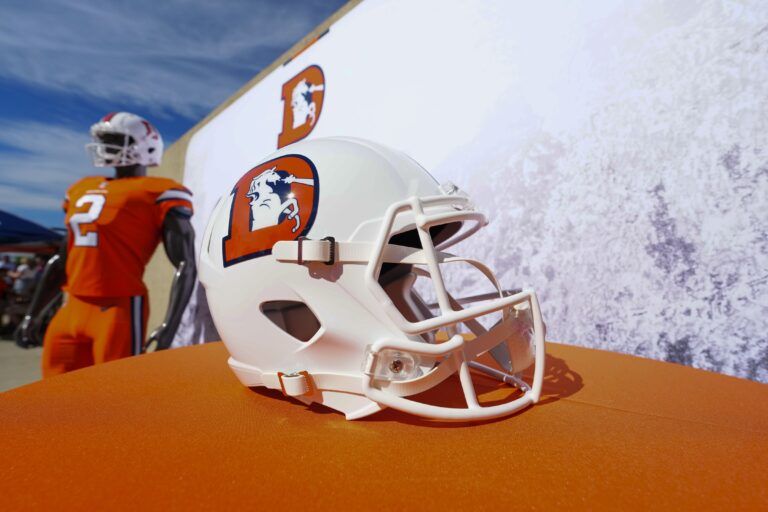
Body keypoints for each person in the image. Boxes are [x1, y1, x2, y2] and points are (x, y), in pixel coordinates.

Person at [16, 112, 197, 377]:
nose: (105, 145)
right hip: (72, 305)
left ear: (145, 146)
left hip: (117, 309)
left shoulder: (159, 191)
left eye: (114, 139)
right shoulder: (81, 188)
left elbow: (185, 263)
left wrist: (171, 324)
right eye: (104, 139)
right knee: (54, 389)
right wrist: (32, 314)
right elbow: (62, 259)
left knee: (114, 390)